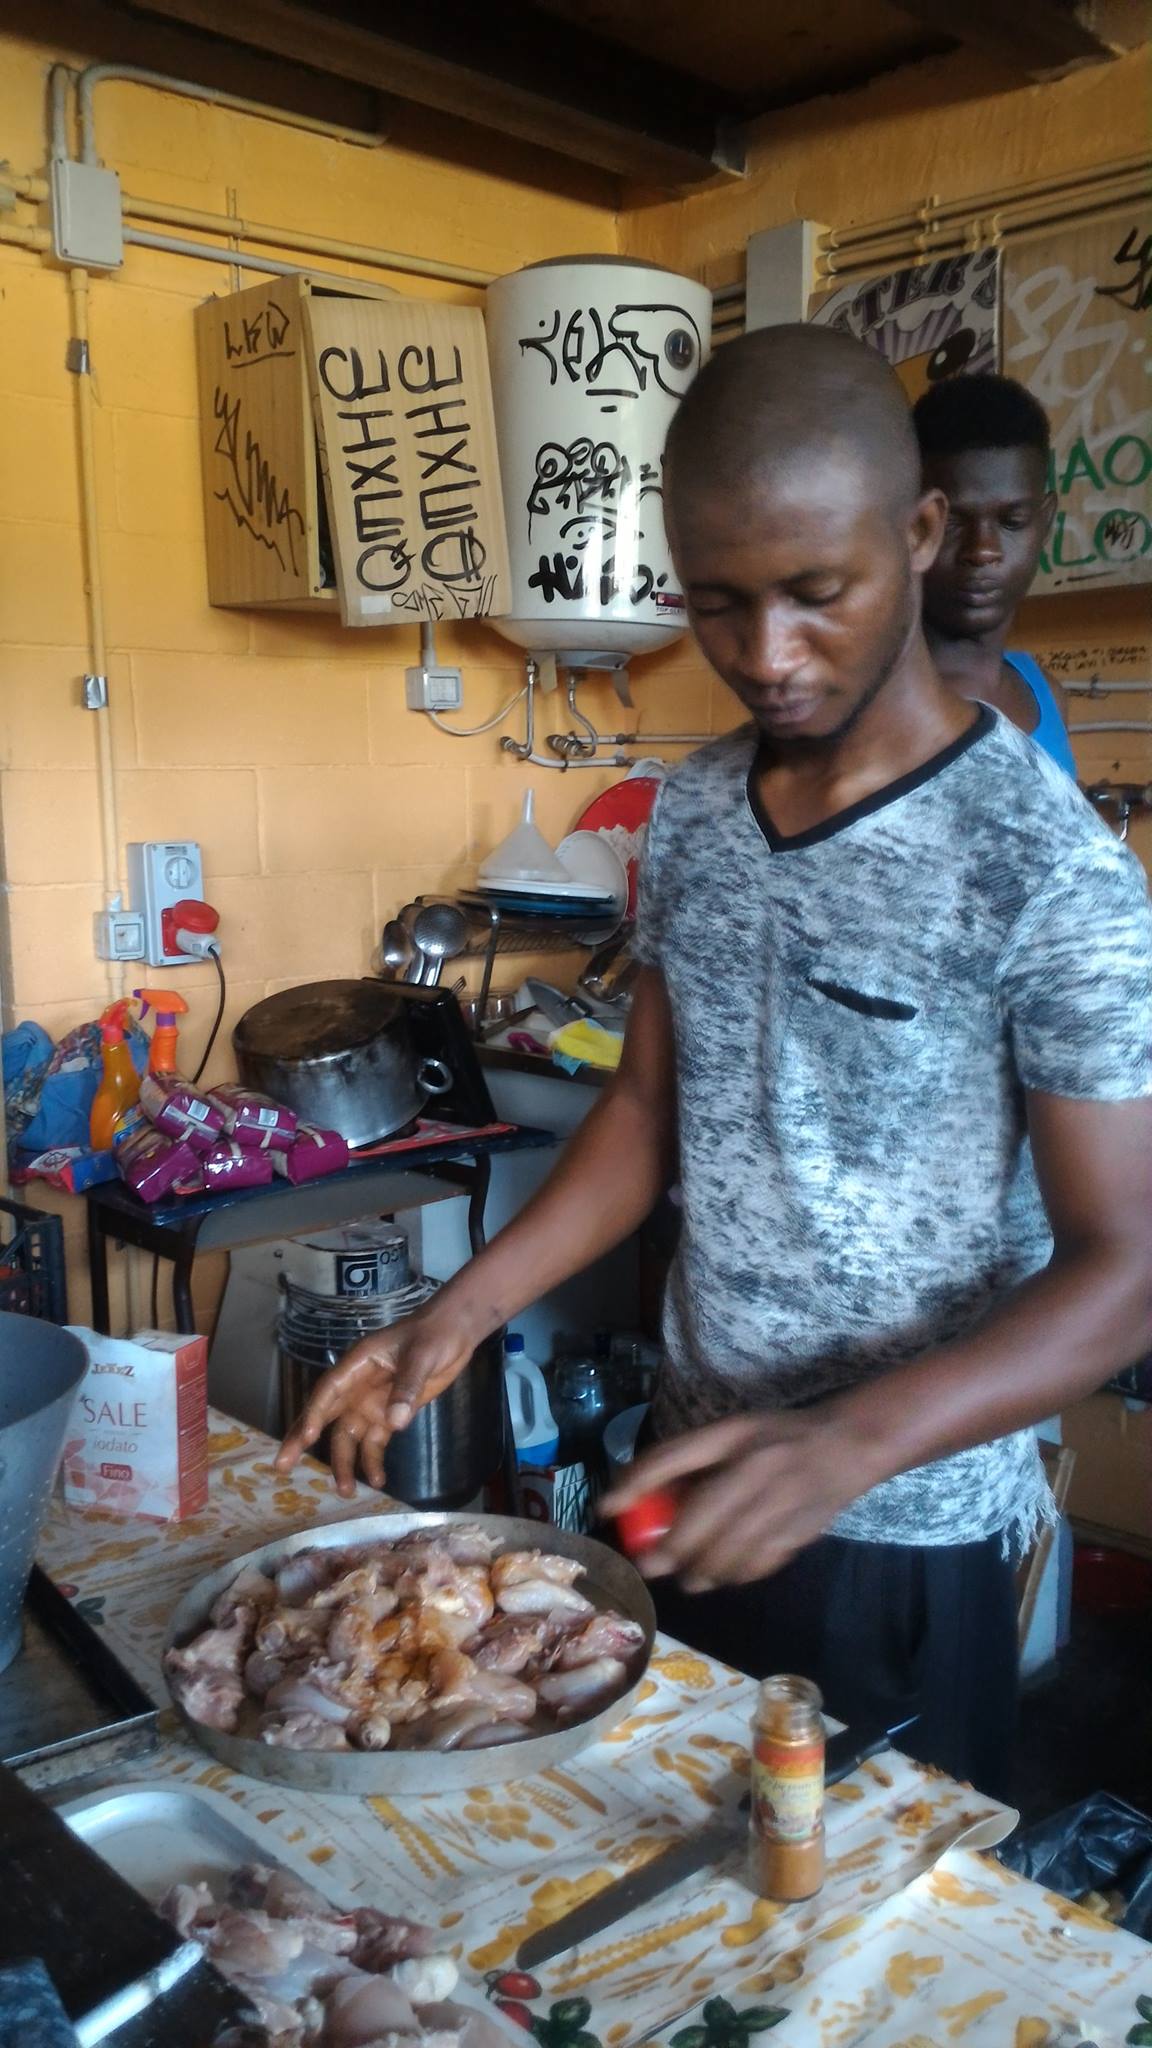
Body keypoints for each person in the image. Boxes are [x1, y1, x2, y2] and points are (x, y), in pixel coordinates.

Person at [278, 325, 1152, 1800]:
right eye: (720, 603)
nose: (768, 655)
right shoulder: (693, 813)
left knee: (859, 1913)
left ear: (919, 533)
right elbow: (646, 1110)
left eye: (817, 594)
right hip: (691, 1480)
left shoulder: (1044, 867)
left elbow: (1125, 1265)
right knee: (658, 1867)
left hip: (903, 1523)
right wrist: (458, 1315)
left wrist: (846, 1444)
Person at [914, 372, 1076, 774]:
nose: (983, 550)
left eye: (1012, 522)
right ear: (914, 527)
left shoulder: (1045, 693)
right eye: (953, 522)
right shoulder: (883, 706)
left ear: (1045, 522)